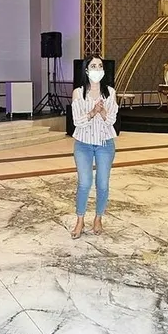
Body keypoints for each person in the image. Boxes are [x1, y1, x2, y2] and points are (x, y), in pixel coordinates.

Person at [70, 55, 118, 239]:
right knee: (84, 183)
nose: (97, 69)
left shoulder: (110, 93)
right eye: (93, 66)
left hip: (105, 143)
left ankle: (98, 218)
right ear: (87, 70)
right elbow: (77, 121)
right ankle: (80, 220)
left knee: (103, 184)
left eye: (100, 66)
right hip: (83, 144)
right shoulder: (78, 93)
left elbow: (112, 120)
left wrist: (103, 111)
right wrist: (92, 112)